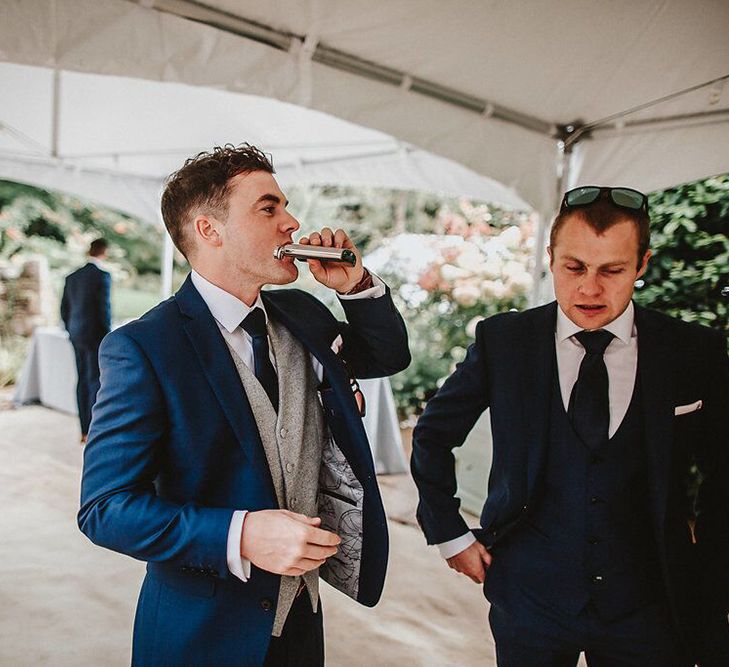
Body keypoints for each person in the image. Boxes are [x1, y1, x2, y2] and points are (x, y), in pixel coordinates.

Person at [77, 144, 410, 666]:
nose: (292, 222)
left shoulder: (301, 312)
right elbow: (105, 509)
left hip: (300, 617)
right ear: (210, 230)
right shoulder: (145, 346)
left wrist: (356, 288)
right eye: (269, 208)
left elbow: (387, 355)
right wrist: (242, 533)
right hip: (203, 633)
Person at [411, 186, 729, 666]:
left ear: (642, 265)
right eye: (574, 267)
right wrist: (450, 534)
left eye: (612, 270)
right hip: (528, 597)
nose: (589, 289)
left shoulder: (692, 351)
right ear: (551, 258)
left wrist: (707, 571)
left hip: (650, 605)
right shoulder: (506, 342)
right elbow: (433, 435)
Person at [60, 237, 111, 443]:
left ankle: (83, 429)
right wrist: (108, 335)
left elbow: (64, 308)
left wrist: (70, 329)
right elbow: (103, 309)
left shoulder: (72, 276)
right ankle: (94, 429)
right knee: (94, 380)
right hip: (94, 335)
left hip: (76, 333)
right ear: (103, 252)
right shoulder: (102, 276)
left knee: (82, 379)